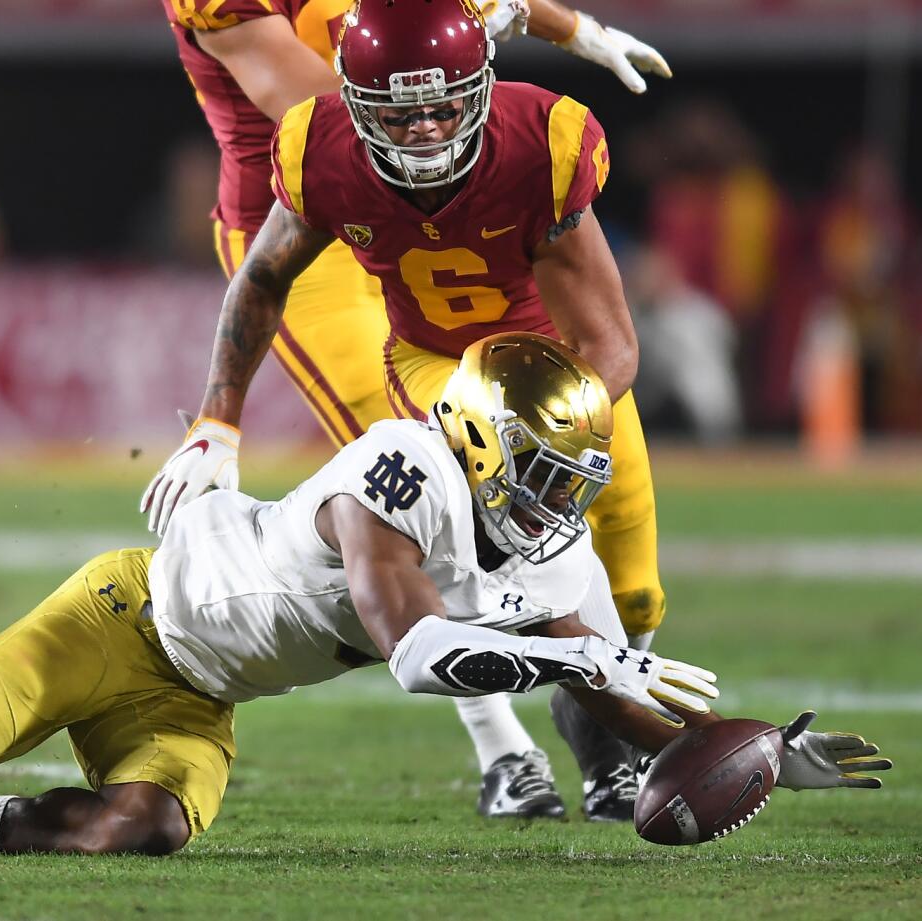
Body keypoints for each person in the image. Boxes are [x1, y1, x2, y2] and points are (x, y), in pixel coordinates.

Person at [0, 333, 889, 854]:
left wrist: (758, 750)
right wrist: (561, 658)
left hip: (204, 695)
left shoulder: (553, 554)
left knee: (137, 832)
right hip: (120, 622)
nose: (561, 502)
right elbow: (416, 644)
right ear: (478, 441)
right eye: (542, 471)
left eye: (576, 476)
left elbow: (624, 704)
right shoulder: (397, 465)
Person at [146, 0, 666, 821]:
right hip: (314, 208)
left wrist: (550, 22)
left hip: (451, 202)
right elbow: (339, 106)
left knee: (608, 511)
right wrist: (219, 415)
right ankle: (503, 750)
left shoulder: (539, 140)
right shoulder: (326, 131)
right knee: (412, 478)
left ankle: (610, 713)